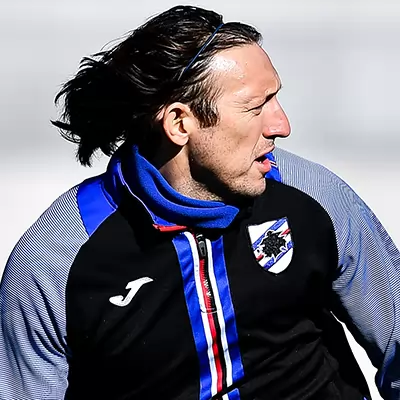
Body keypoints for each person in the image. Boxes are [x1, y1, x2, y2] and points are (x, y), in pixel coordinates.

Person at [0, 5, 398, 400]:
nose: (281, 126)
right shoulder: (55, 259)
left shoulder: (311, 194)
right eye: (255, 107)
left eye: (275, 99)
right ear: (179, 123)